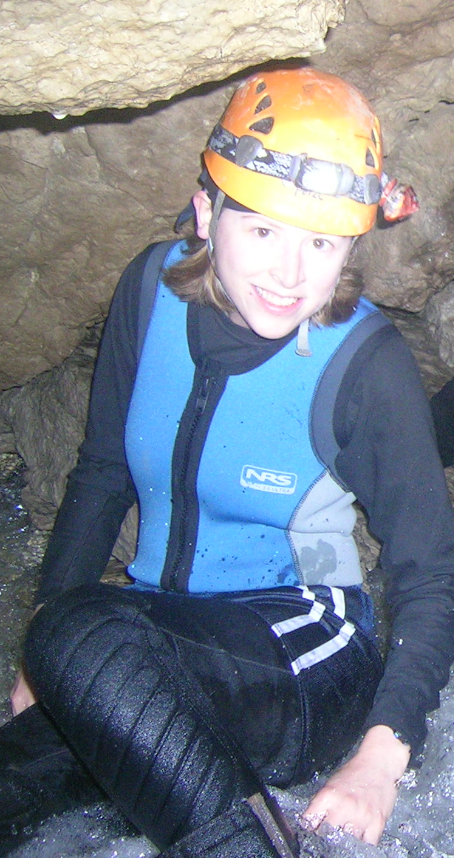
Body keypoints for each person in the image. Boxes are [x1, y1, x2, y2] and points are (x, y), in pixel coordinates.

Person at [4, 66, 454, 855]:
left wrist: (381, 760)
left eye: (321, 243)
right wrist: (42, 672)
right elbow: (101, 472)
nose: (291, 274)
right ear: (208, 214)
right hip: (156, 646)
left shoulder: (365, 363)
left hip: (307, 657)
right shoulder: (148, 292)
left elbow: (429, 573)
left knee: (80, 632)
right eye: (264, 231)